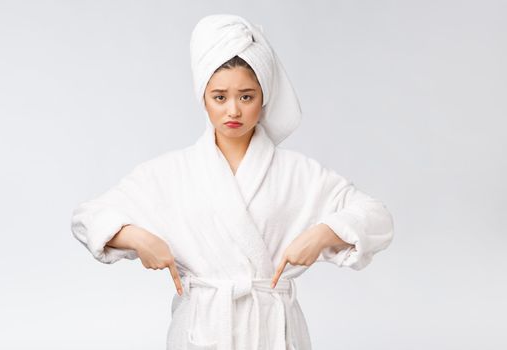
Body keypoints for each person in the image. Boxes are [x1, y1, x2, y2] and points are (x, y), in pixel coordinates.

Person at [71, 14, 394, 350]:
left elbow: (378, 217)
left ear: (263, 97)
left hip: (273, 333)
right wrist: (134, 236)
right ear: (203, 98)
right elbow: (86, 217)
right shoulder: (172, 172)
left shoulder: (298, 173)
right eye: (220, 97)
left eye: (246, 96)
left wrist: (324, 233)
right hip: (202, 331)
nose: (233, 111)